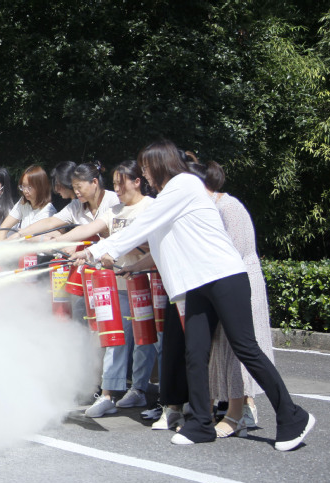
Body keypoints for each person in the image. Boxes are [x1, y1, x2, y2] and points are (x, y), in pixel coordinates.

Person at [80, 139, 314, 450]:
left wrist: (96, 250)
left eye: (147, 167)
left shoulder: (185, 184)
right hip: (196, 285)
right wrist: (106, 257)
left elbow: (143, 224)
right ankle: (201, 424)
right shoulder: (169, 198)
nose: (144, 174)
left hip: (225, 277)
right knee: (195, 353)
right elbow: (156, 242)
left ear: (161, 165)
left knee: (245, 347)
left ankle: (293, 416)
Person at [67, 161, 158, 417]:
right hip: (117, 285)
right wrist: (65, 242)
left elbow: (151, 245)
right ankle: (108, 394)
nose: (116, 189)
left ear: (137, 181)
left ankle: (139, 389)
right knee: (114, 338)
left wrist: (115, 248)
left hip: (145, 284)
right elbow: (89, 229)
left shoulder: (151, 207)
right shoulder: (114, 210)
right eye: (115, 184)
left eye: (121, 183)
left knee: (145, 341)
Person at [204, 161, 274, 435]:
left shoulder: (228, 206)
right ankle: (236, 407)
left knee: (239, 348)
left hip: (241, 281)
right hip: (222, 282)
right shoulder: (210, 208)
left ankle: (242, 410)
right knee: (223, 347)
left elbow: (237, 251)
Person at [15, 161, 119, 241]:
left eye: (79, 187)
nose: (76, 192)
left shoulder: (114, 201)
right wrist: (21, 234)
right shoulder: (76, 205)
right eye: (74, 188)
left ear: (94, 182)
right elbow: (50, 222)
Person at [0, 165, 56, 240]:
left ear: (40, 187)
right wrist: (0, 244)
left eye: (29, 187)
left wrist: (20, 235)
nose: (25, 191)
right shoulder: (23, 202)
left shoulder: (48, 211)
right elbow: (4, 227)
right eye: (23, 186)